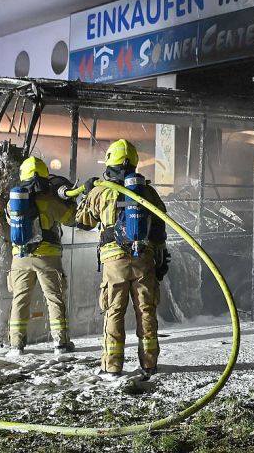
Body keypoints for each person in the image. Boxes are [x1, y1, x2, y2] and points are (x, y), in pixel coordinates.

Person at [75, 139, 168, 377]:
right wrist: (160, 258)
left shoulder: (101, 191)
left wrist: (86, 193)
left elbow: (82, 222)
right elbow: (159, 228)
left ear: (109, 161)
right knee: (146, 311)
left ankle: (112, 366)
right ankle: (149, 364)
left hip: (114, 261)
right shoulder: (147, 192)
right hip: (143, 258)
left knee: (114, 311)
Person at [7, 156, 76, 355]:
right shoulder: (49, 201)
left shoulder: (13, 203)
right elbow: (72, 219)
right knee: (54, 298)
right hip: (48, 257)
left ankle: (16, 345)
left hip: (20, 257)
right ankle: (60, 344)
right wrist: (69, 200)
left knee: (20, 300)